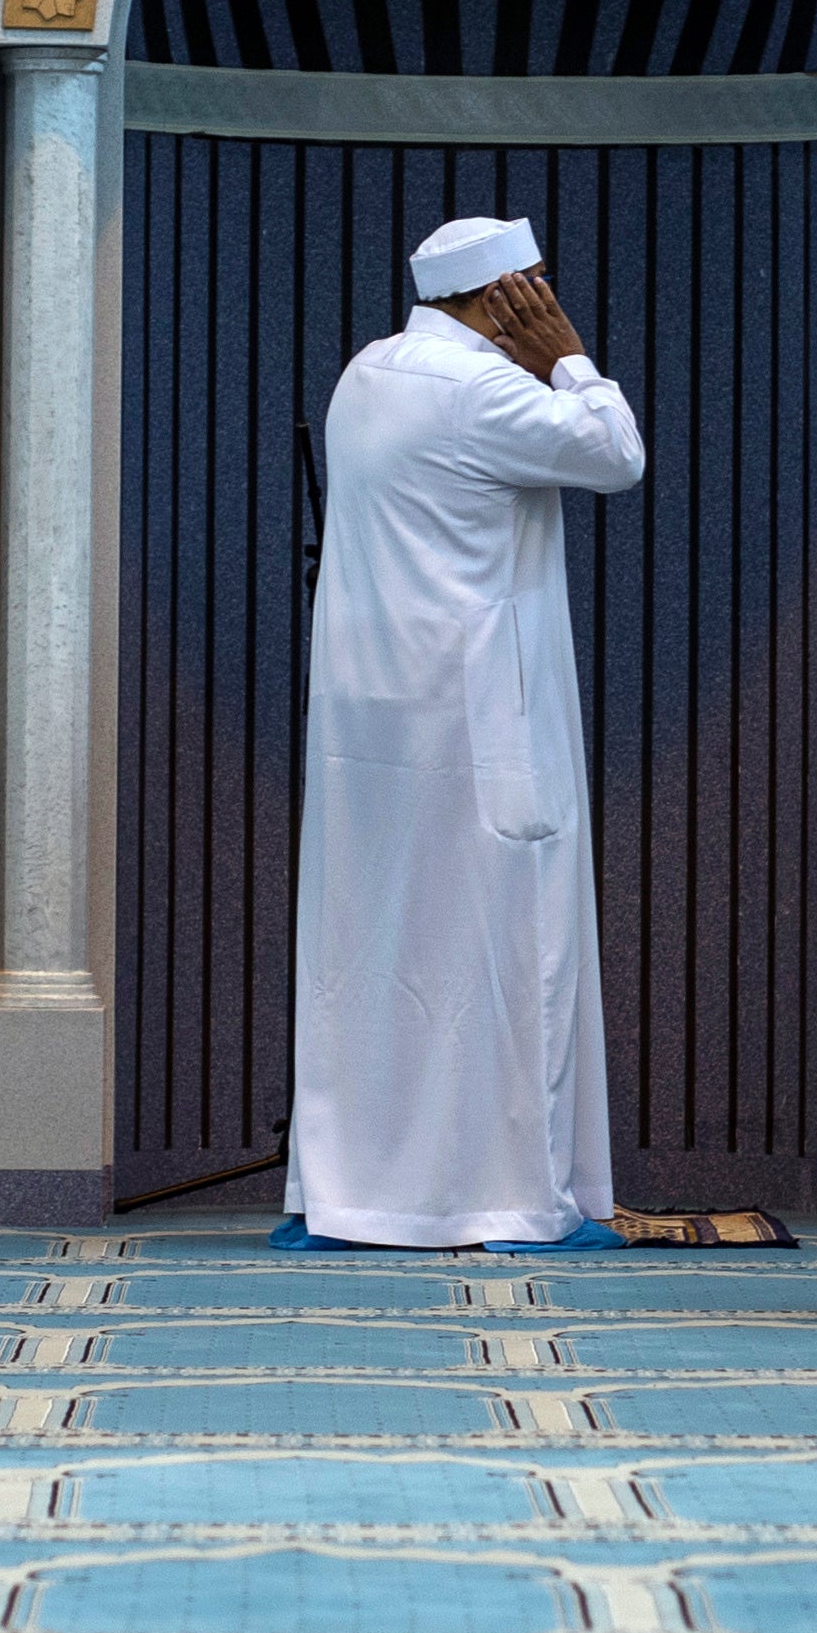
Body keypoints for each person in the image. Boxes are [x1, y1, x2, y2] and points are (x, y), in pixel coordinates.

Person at [273, 216, 647, 1252]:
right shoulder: (486, 389)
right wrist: (568, 355)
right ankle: (494, 1195)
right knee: (496, 957)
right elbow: (619, 456)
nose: (543, 305)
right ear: (503, 298)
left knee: (374, 954)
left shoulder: (368, 372)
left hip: (370, 728)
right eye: (534, 290)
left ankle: (358, 1188)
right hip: (480, 726)